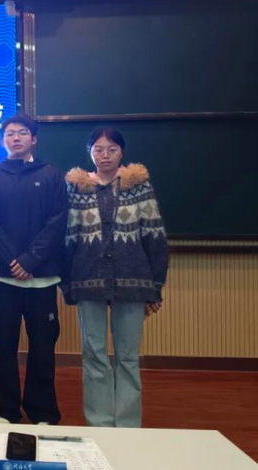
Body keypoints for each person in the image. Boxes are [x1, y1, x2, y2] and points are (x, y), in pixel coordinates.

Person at [65, 127, 169, 428]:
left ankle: (126, 424)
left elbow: (155, 238)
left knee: (128, 356)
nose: (105, 155)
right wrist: (67, 285)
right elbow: (69, 238)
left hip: (133, 281)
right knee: (93, 355)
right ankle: (99, 422)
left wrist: (155, 288)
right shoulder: (77, 188)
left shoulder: (139, 186)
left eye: (111, 149)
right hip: (88, 280)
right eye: (98, 149)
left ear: (122, 152)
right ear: (90, 153)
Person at [0, 113, 67, 425]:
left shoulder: (51, 174)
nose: (15, 138)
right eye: (10, 134)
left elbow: (58, 222)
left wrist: (30, 260)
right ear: (3, 140)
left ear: (34, 138)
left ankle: (43, 411)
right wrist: (15, 261)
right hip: (3, 277)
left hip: (42, 277)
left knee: (43, 348)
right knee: (3, 348)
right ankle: (6, 410)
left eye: (22, 133)